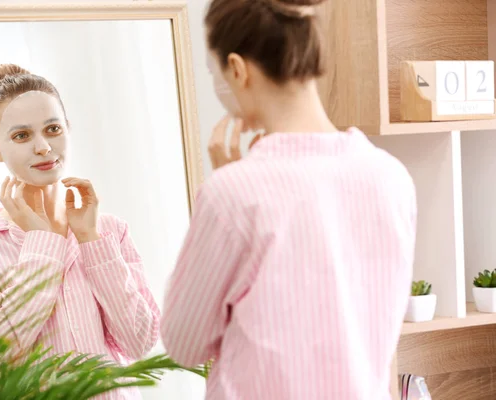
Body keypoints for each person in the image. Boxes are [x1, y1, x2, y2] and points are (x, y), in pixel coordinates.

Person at [160, 0, 417, 399]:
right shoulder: (391, 176)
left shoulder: (233, 193)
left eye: (215, 71)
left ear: (238, 69)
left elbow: (184, 343)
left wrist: (225, 183)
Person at [0, 64, 160, 399]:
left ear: (68, 129)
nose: (43, 147)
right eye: (21, 135)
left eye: (52, 129)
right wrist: (43, 247)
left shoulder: (109, 231)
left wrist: (91, 242)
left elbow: (139, 343)